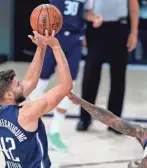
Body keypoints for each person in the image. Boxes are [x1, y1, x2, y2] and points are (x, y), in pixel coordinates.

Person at [0, 31, 75, 168]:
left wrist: (41, 48)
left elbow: (30, 82)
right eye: (17, 85)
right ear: (9, 95)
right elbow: (66, 86)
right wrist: (55, 47)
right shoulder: (27, 113)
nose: (22, 85)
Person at [28, 0, 103, 152]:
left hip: (75, 40)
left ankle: (55, 131)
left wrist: (95, 17)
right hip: (54, 36)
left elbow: (86, 12)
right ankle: (30, 126)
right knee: (39, 82)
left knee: (69, 86)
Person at [76, 0, 139, 134]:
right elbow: (83, 7)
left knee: (118, 76)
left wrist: (134, 32)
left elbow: (133, 5)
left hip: (119, 27)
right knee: (90, 76)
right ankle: (84, 118)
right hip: (96, 27)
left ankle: (115, 122)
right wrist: (81, 30)